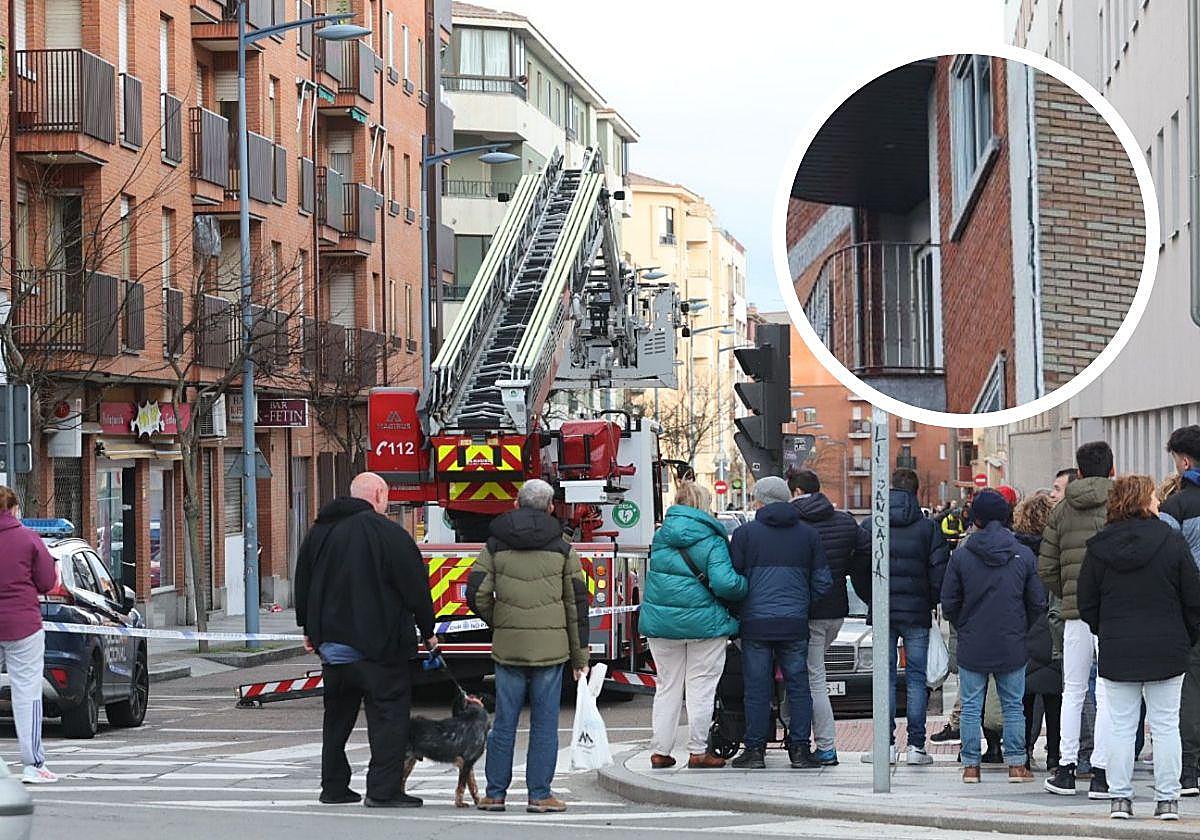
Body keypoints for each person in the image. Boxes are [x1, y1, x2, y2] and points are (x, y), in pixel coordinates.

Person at [293, 472, 437, 808]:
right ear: (379, 494)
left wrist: (308, 629)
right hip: (379, 648)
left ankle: (334, 787)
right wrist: (427, 630)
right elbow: (414, 586)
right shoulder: (388, 533)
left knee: (336, 719)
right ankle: (382, 791)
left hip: (333, 648)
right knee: (388, 718)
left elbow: (304, 581)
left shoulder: (320, 532)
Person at [1078, 475, 1200, 821]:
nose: (1159, 503)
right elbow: (1193, 597)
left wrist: (1106, 630)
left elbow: (1086, 603)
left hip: (1118, 646)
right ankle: (1167, 799)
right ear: (1145, 501)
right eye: (1154, 498)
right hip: (1167, 646)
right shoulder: (1171, 542)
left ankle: (1120, 797)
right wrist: (1186, 635)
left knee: (1121, 725)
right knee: (1165, 725)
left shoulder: (1098, 547)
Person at [466, 479, 589, 813]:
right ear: (550, 508)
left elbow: (476, 592)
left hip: (509, 647)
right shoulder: (563, 547)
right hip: (551, 650)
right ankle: (539, 795)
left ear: (516, 504)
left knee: (504, 722)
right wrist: (580, 656)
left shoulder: (495, 543)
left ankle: (495, 794)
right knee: (545, 724)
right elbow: (576, 603)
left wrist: (500, 620)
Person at [641, 481, 746, 770]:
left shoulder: (661, 536)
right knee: (701, 686)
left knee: (667, 686)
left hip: (662, 624)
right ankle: (698, 751)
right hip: (704, 625)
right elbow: (725, 584)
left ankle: (660, 751)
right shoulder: (712, 539)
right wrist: (744, 586)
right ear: (703, 504)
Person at [942, 490, 1045, 783]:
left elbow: (949, 602)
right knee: (1013, 706)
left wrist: (965, 624)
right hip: (1011, 639)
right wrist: (1021, 627)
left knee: (971, 706)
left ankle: (971, 766)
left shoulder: (962, 556)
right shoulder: (1023, 555)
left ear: (976, 520)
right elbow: (1037, 602)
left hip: (973, 640)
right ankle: (1016, 765)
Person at [729, 476, 832, 770]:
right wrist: (803, 603)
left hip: (756, 624)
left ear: (761, 501)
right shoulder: (808, 535)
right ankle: (799, 750)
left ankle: (755, 751)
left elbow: (733, 582)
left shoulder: (745, 535)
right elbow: (823, 581)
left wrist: (742, 609)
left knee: (757, 688)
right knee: (798, 687)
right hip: (794, 624)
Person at [858, 468, 949, 765]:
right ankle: (916, 747)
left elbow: (858, 569)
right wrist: (928, 600)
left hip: (883, 611)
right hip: (916, 611)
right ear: (916, 492)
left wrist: (872, 598)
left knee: (883, 677)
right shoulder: (928, 529)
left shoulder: (872, 525)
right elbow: (939, 572)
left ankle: (885, 745)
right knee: (916, 679)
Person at [1039, 441, 1115, 797]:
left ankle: (1066, 769)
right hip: (1113, 611)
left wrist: (1070, 592)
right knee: (1108, 691)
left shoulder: (1062, 510)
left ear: (1079, 472)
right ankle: (1102, 773)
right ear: (1111, 470)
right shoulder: (1121, 502)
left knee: (1073, 690)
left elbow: (1046, 568)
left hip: (1075, 612)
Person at [789, 468, 870, 766]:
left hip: (807, 611)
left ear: (797, 492)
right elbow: (867, 551)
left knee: (814, 678)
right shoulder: (845, 521)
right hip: (836, 610)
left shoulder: (793, 522)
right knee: (812, 673)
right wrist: (847, 571)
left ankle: (825, 746)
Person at [0, 487, 58, 784]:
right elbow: (47, 581)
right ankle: (33, 764)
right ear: (13, 509)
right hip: (23, 624)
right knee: (26, 693)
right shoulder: (28, 539)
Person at [1160, 425, 1200, 796]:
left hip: (1189, 608)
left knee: (1190, 686)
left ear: (1184, 462)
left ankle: (1189, 769)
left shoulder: (1175, 508)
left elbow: (1164, 561)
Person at [1014, 492, 1063, 772]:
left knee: (1024, 698)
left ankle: (1023, 751)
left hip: (1024, 629)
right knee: (1055, 696)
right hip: (1052, 629)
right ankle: (1055, 754)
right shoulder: (1057, 550)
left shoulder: (1016, 552)